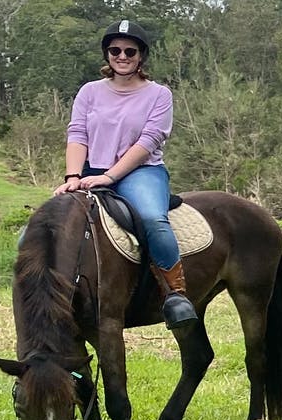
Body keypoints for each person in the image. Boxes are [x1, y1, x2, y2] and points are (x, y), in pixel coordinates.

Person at [56, 18, 198, 327]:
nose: (122, 56)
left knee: (152, 218)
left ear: (141, 56)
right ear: (107, 54)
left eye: (130, 51)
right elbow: (77, 134)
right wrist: (72, 177)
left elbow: (148, 142)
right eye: (115, 50)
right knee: (44, 225)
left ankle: (176, 294)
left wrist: (109, 177)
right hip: (89, 171)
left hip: (140, 171)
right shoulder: (89, 92)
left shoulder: (159, 95)